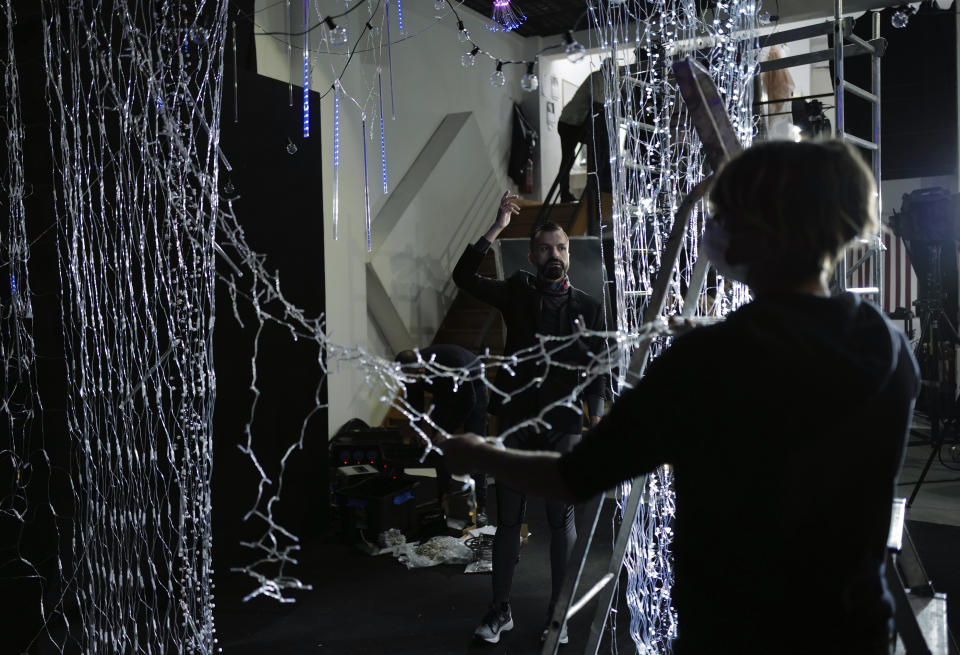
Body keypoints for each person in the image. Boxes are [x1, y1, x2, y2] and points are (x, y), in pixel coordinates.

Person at [444, 141, 920, 654]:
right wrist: (724, 334)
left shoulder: (704, 364)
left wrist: (474, 452)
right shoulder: (885, 343)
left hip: (736, 632)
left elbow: (573, 477)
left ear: (756, 233)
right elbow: (796, 367)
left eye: (723, 215)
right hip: (856, 630)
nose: (714, 228)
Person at [452, 191, 607, 644]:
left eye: (560, 247)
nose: (553, 254)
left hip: (562, 426)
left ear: (568, 254)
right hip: (518, 423)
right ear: (532, 254)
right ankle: (500, 610)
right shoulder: (516, 290)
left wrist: (595, 420)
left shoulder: (589, 307)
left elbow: (599, 369)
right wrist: (497, 225)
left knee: (561, 522)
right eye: (544, 248)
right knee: (508, 520)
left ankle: (557, 616)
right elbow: (464, 276)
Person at [396, 345, 490, 525]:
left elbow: (468, 400)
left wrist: (446, 430)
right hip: (442, 390)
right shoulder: (408, 369)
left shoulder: (452, 362)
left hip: (473, 386)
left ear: (421, 368)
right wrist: (416, 429)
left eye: (412, 376)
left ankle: (481, 506)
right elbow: (414, 400)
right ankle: (443, 501)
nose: (408, 379)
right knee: (440, 450)